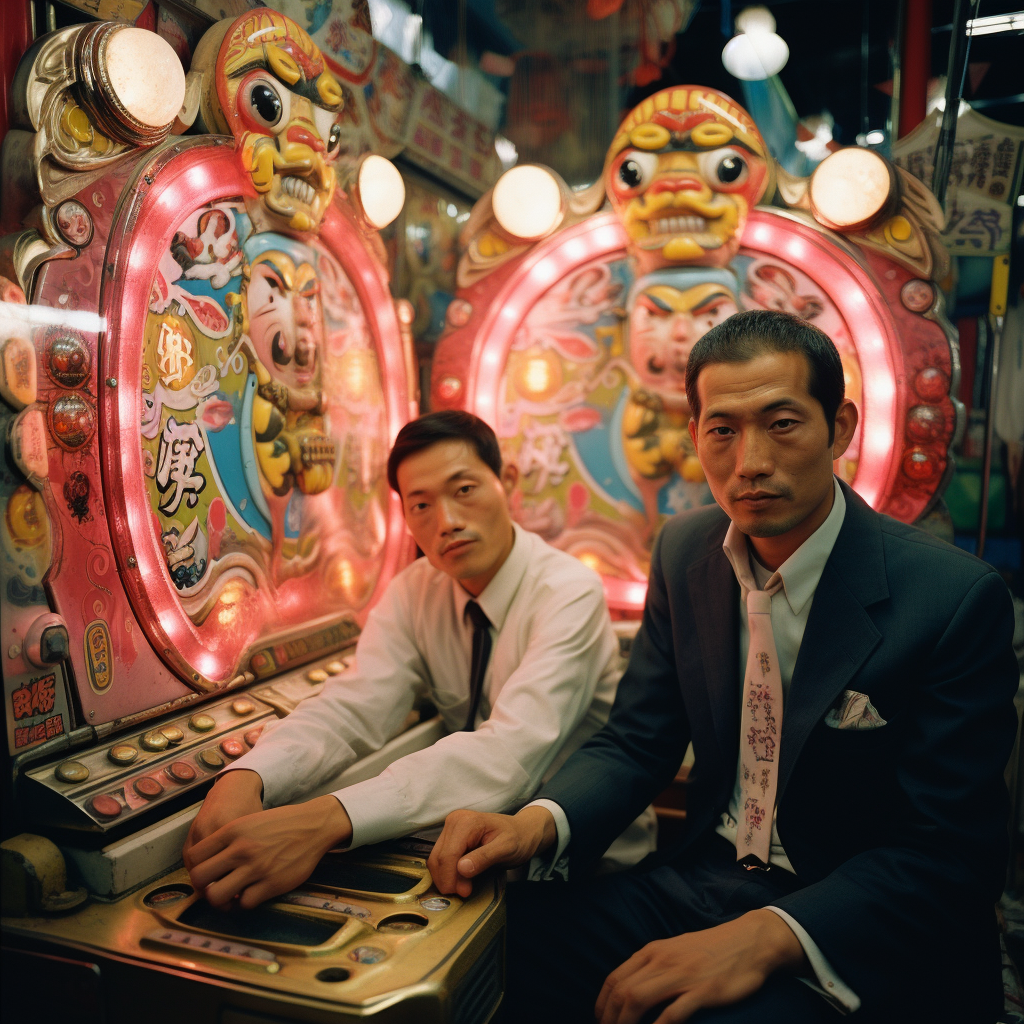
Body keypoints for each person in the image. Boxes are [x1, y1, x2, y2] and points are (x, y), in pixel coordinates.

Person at [427, 309, 1019, 1024]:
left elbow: (949, 851)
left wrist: (770, 936)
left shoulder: (953, 598)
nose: (751, 463)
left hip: (852, 918)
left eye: (782, 424)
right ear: (695, 438)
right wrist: (540, 823)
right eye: (723, 430)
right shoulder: (685, 551)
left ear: (840, 428)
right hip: (704, 879)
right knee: (489, 949)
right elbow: (637, 741)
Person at [183, 410, 655, 909]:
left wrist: (322, 822)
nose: (447, 521)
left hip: (587, 866)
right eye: (421, 505)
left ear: (507, 483)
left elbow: (509, 755)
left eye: (464, 490)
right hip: (472, 851)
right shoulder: (414, 591)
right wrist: (248, 777)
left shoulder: (568, 591)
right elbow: (354, 706)